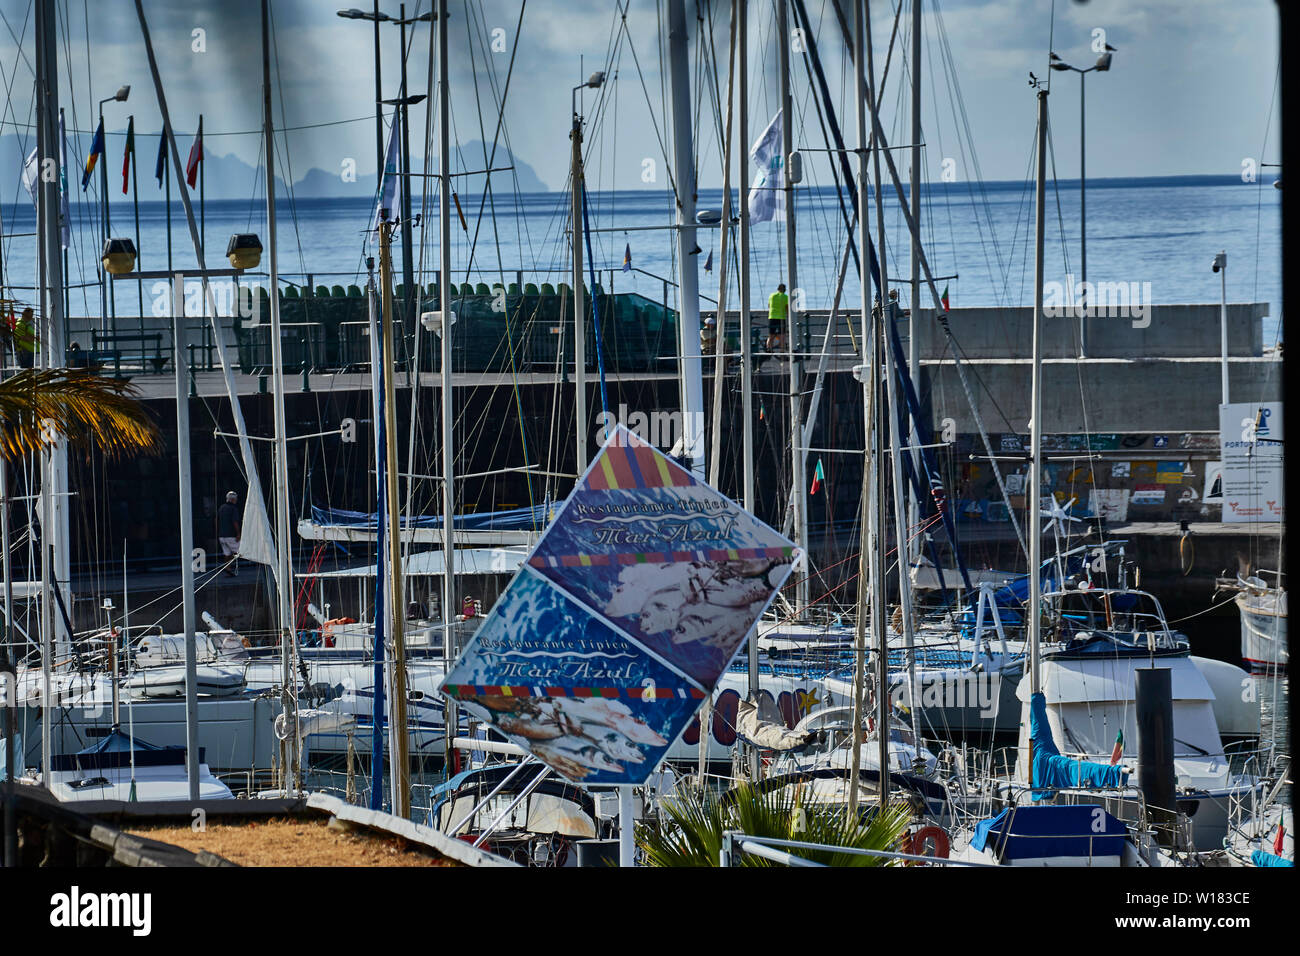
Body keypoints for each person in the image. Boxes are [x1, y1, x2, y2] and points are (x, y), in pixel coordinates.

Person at [218, 491, 241, 576]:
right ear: (233, 499)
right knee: (239, 551)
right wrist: (238, 533)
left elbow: (216, 520)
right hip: (231, 535)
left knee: (227, 553)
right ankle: (228, 567)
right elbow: (235, 521)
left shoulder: (221, 507)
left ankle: (227, 567)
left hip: (222, 535)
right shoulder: (233, 509)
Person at [766, 283, 789, 352]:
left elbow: (769, 305)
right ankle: (782, 350)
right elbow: (786, 307)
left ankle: (769, 350)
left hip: (772, 317)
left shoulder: (771, 296)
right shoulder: (785, 296)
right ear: (784, 290)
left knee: (771, 335)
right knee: (782, 335)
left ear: (778, 289)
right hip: (781, 318)